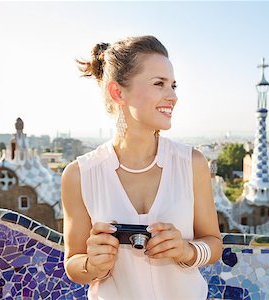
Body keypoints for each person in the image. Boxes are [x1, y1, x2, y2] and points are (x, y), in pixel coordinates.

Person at [61, 35, 222, 300]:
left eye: (173, 85)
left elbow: (213, 244)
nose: (173, 96)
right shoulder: (79, 175)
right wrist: (92, 264)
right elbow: (73, 265)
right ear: (117, 92)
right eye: (159, 84)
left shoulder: (192, 163)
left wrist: (186, 250)